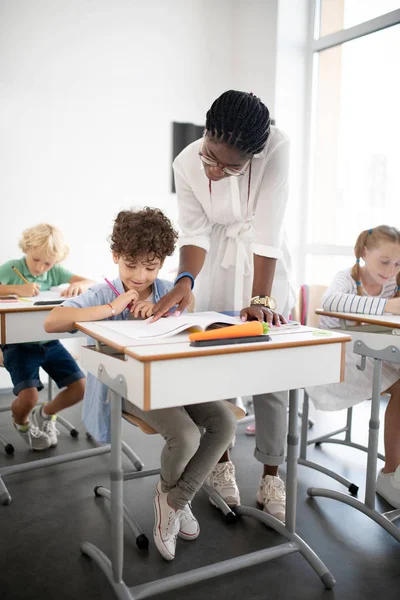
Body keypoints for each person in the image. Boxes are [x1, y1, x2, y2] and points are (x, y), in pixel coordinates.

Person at [45, 207, 237, 561]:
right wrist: (110, 308)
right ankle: (176, 499)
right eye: (131, 265)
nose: (139, 275)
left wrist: (163, 308)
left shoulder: (167, 289)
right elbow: (53, 322)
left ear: (162, 262)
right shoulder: (103, 293)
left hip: (175, 381)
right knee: (186, 436)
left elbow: (188, 305)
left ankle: (173, 500)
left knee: (225, 421)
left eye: (150, 267)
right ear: (116, 256)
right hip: (128, 386)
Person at [152, 90, 295, 522]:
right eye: (211, 156)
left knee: (273, 372)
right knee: (216, 364)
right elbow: (195, 233)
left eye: (231, 166)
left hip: (264, 266)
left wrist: (260, 299)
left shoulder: (278, 147)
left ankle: (271, 473)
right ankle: (222, 462)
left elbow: (268, 229)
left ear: (255, 153)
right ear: (207, 134)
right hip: (216, 263)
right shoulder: (185, 161)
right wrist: (183, 280)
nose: (214, 171)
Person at [306, 225, 400, 508]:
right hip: (337, 358)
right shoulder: (346, 278)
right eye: (384, 261)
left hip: (369, 355)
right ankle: (390, 472)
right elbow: (331, 301)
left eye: (397, 263)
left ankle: (393, 470)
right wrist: (390, 307)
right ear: (363, 253)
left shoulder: (391, 285)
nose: (390, 270)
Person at [0, 223, 92, 450]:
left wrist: (78, 285)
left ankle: (46, 414)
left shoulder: (55, 272)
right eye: (36, 260)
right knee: (28, 398)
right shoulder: (12, 268)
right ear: (27, 250)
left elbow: (90, 282)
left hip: (49, 342)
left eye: (48, 263)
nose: (41, 268)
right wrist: (15, 289)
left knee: (80, 387)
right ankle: (21, 423)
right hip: (18, 346)